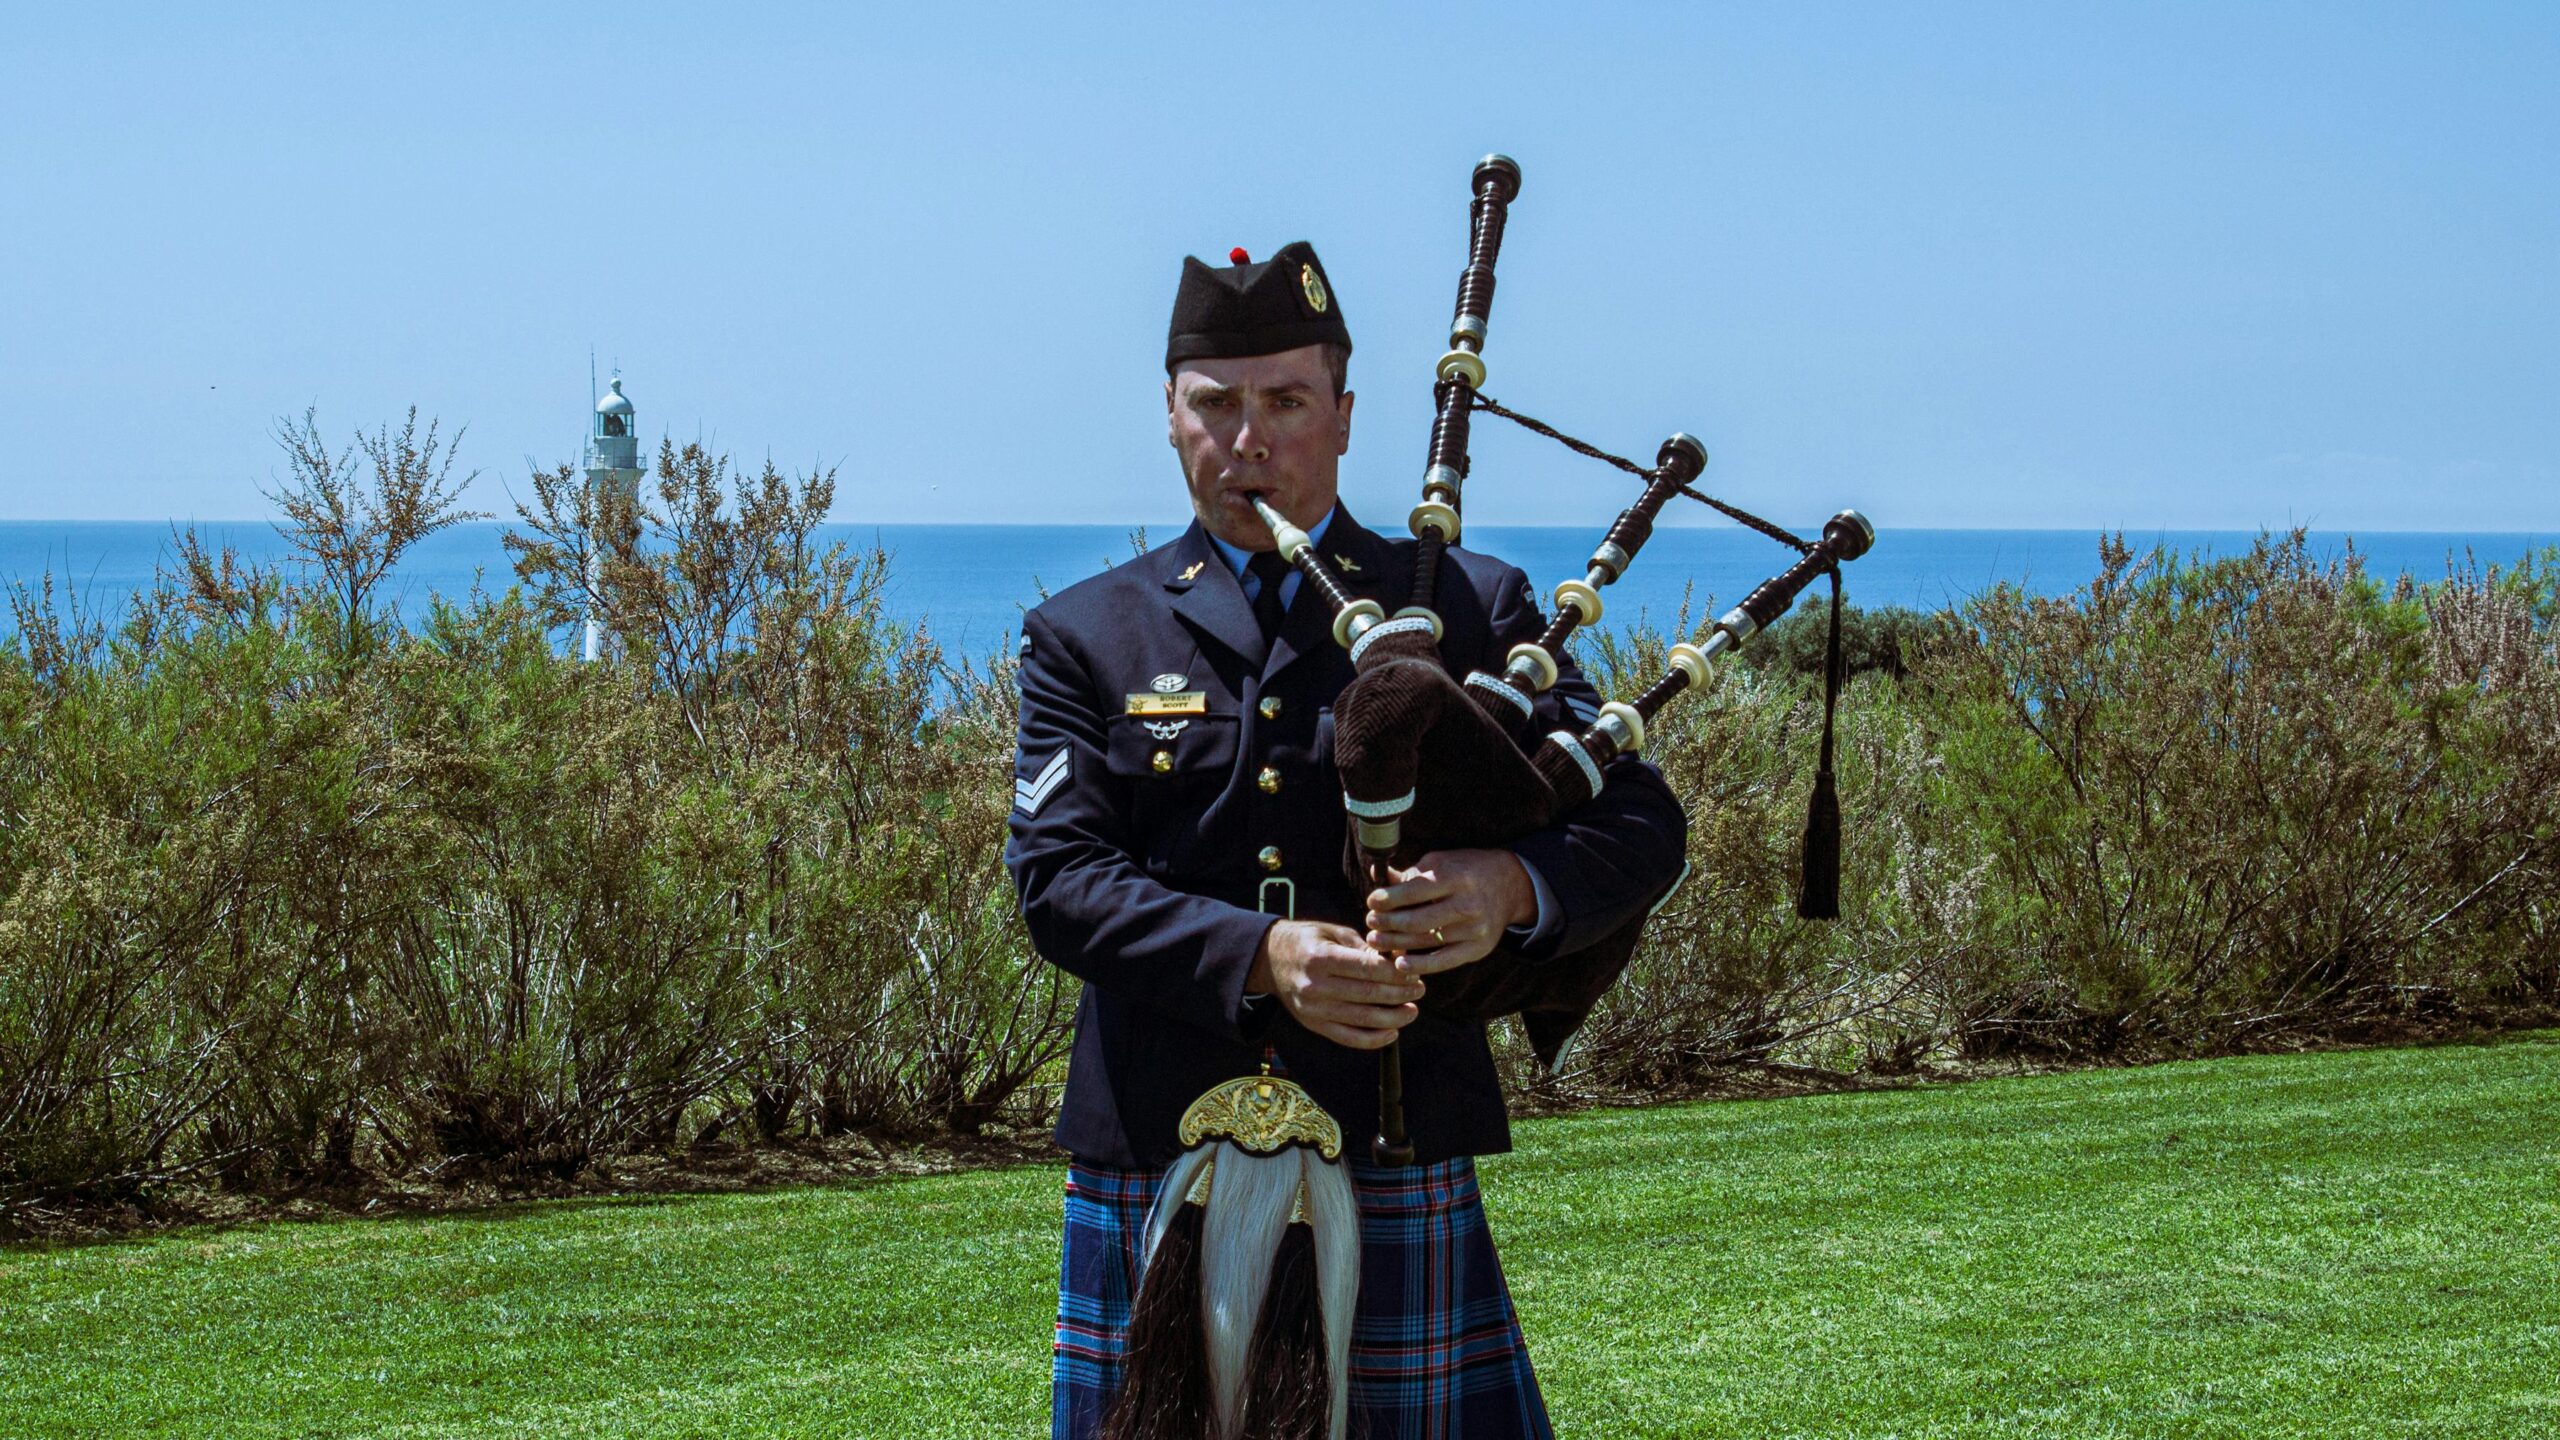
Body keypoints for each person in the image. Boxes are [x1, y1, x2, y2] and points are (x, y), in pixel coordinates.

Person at [1006, 240, 1688, 1439]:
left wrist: (1508, 887)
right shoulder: (1085, 635)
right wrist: (1262, 961)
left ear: (1344, 417)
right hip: (1156, 1139)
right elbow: (1059, 882)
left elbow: (1641, 823)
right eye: (1214, 405)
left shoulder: (1474, 608)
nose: (1246, 440)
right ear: (1168, 417)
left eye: (1284, 402)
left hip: (1394, 1129)